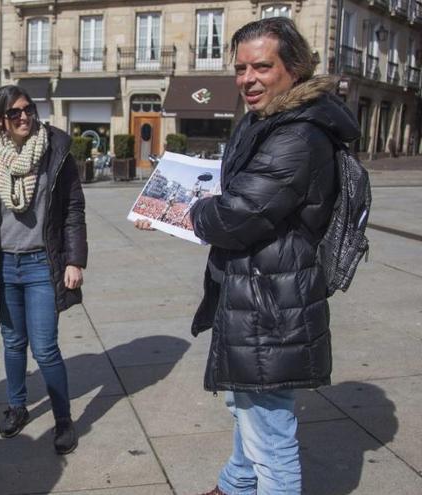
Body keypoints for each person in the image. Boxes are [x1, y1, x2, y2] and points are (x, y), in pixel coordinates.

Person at [136, 17, 359, 494]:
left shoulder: (295, 136)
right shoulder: (266, 121)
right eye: (240, 68)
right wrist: (163, 209)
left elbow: (238, 214)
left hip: (271, 301)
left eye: (261, 66)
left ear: (293, 69)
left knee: (269, 431)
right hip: (260, 287)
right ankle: (236, 484)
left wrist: (178, 208)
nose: (248, 79)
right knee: (251, 403)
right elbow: (235, 190)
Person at [0, 85, 88, 454]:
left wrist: (74, 260)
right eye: (15, 113)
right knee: (13, 343)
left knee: (46, 348)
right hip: (3, 264)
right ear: (0, 119)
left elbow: (73, 210)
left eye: (28, 110)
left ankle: (63, 419)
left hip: (41, 264)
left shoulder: (56, 148)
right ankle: (17, 406)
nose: (24, 117)